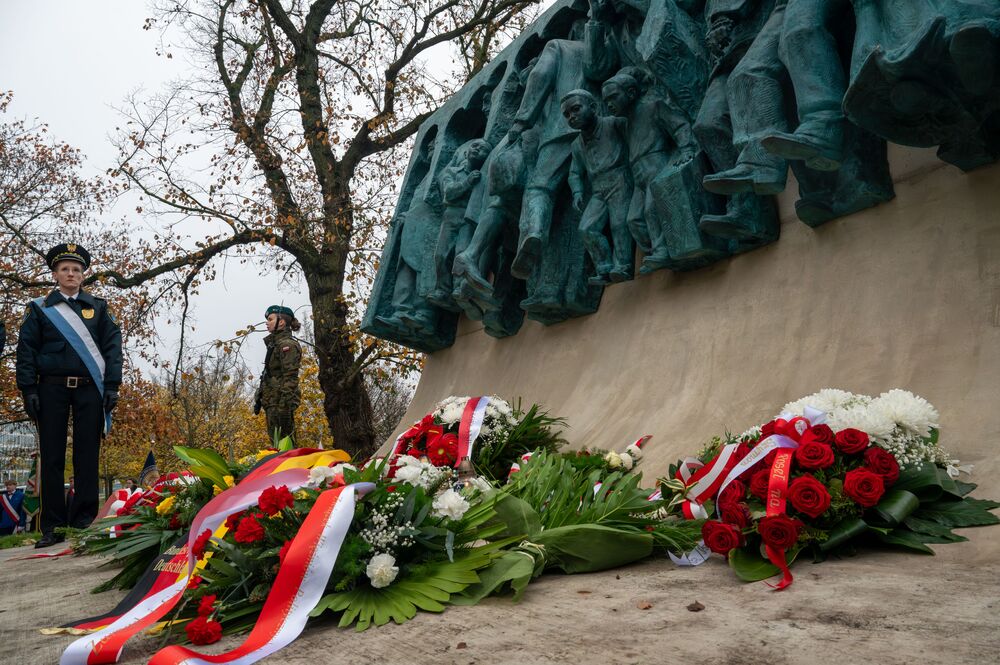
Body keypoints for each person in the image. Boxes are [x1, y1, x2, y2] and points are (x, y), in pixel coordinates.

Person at [16, 243, 122, 548]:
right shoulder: (39, 308)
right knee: (52, 457)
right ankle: (53, 526)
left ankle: (84, 519)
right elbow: (26, 351)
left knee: (86, 454)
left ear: (83, 274)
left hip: (90, 388)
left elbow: (113, 349)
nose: (71, 274)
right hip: (50, 388)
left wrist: (112, 385)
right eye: (65, 269)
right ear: (55, 274)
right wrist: (28, 389)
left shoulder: (99, 308)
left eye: (76, 269)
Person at [562, 90, 635, 285]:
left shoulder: (614, 123)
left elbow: (636, 137)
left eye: (576, 109)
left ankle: (624, 266)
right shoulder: (577, 145)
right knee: (586, 229)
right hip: (598, 189)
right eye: (567, 114)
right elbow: (575, 172)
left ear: (593, 106)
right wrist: (577, 191)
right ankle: (604, 267)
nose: (572, 117)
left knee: (620, 224)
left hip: (620, 179)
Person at [253, 305, 302, 444]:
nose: (267, 322)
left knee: (285, 446)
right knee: (276, 445)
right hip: (272, 401)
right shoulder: (274, 345)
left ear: (281, 322)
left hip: (281, 403)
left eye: (270, 319)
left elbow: (291, 377)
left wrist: (284, 406)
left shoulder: (287, 345)